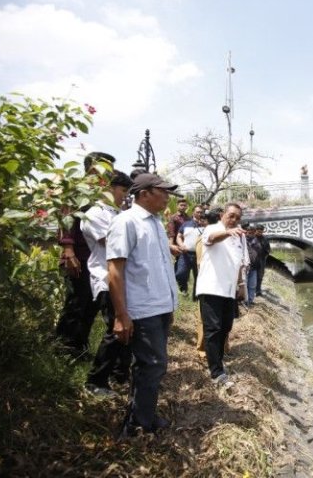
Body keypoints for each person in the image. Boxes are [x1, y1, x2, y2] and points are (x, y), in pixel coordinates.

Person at [106, 173, 179, 436]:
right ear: (145, 193)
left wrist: (170, 304)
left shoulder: (156, 223)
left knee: (150, 366)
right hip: (144, 309)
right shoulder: (126, 222)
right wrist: (121, 314)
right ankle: (137, 425)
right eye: (164, 191)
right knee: (153, 365)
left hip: (160, 307)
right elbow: (115, 270)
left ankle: (142, 416)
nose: (168, 197)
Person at [56, 151, 116, 358]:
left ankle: (79, 347)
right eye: (106, 167)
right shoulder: (77, 190)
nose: (110, 172)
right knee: (76, 303)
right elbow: (66, 220)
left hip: (95, 258)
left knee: (91, 305)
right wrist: (68, 250)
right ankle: (64, 348)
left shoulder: (103, 194)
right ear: (92, 167)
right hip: (78, 257)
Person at [81, 170, 133, 396]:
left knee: (127, 330)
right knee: (115, 329)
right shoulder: (95, 214)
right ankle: (95, 381)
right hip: (106, 278)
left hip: (124, 279)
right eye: (123, 191)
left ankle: (120, 375)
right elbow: (110, 241)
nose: (125, 196)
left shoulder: (119, 213)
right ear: (108, 188)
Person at [195, 203, 248, 388]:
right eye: (231, 216)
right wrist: (227, 232)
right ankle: (216, 373)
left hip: (229, 290)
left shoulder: (239, 237)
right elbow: (211, 239)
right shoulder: (212, 229)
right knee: (213, 329)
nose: (234, 220)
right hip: (211, 288)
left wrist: (241, 284)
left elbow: (239, 262)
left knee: (226, 327)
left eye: (238, 218)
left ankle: (217, 360)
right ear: (222, 214)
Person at [175, 205, 205, 298]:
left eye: (201, 212)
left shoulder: (206, 225)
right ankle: (183, 289)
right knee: (180, 273)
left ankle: (196, 297)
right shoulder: (186, 224)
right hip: (185, 254)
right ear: (193, 212)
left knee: (198, 276)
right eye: (197, 212)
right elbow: (179, 236)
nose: (199, 214)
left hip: (200, 255)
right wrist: (181, 245)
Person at [245, 224, 263, 305]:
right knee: (245, 284)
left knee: (252, 285)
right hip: (246, 266)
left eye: (252, 233)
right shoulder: (243, 241)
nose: (250, 234)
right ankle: (245, 301)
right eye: (249, 233)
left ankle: (250, 300)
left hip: (254, 267)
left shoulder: (256, 241)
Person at [254, 224, 271, 297]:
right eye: (258, 231)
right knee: (252, 275)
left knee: (260, 275)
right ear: (255, 231)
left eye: (261, 232)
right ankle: (251, 290)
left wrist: (264, 257)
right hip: (252, 260)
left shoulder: (265, 239)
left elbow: (268, 249)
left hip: (261, 259)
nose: (260, 233)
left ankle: (258, 290)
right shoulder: (252, 238)